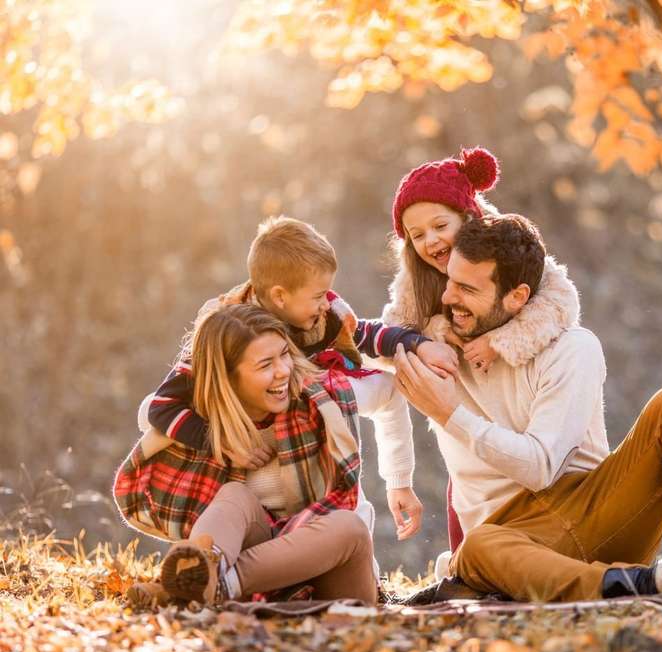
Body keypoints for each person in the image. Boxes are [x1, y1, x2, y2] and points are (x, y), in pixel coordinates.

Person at [392, 213, 662, 603]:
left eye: (465, 288)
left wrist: (450, 416)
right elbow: (361, 340)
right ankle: (632, 584)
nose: (447, 298)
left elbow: (541, 467)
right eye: (450, 282)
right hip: (511, 542)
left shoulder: (571, 349)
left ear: (517, 297)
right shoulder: (439, 349)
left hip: (594, 513)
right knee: (478, 547)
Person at [143, 215, 458, 542]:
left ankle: (348, 538)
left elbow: (363, 333)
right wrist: (220, 443)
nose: (326, 303)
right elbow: (160, 405)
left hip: (309, 421)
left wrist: (419, 345)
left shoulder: (326, 315)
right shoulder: (227, 330)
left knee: (347, 401)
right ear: (280, 296)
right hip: (247, 449)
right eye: (319, 295)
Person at [383, 147, 581, 557]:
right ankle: (467, 565)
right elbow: (392, 332)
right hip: (468, 416)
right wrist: (431, 334)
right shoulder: (415, 280)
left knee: (526, 473)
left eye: (440, 225)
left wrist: (500, 341)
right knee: (469, 492)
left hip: (521, 398)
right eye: (416, 235)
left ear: (468, 216)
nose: (430, 240)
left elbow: (562, 304)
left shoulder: (508, 253)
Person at [115, 305, 378, 605]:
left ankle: (209, 586)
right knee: (234, 495)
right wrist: (217, 441)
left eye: (284, 355)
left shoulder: (320, 400)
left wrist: (401, 479)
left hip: (331, 578)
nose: (283, 371)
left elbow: (389, 389)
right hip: (261, 572)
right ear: (228, 377)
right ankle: (200, 573)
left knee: (349, 527)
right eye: (265, 364)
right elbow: (153, 408)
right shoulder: (204, 427)